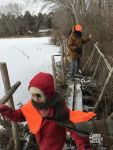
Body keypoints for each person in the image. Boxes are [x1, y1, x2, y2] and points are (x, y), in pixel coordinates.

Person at [0, 72, 96, 150]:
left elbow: (74, 128)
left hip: (55, 144)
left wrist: (84, 146)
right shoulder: (32, 105)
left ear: (47, 95)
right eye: (32, 95)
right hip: (41, 143)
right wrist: (7, 111)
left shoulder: (59, 110)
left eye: (38, 95)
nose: (35, 99)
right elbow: (20, 115)